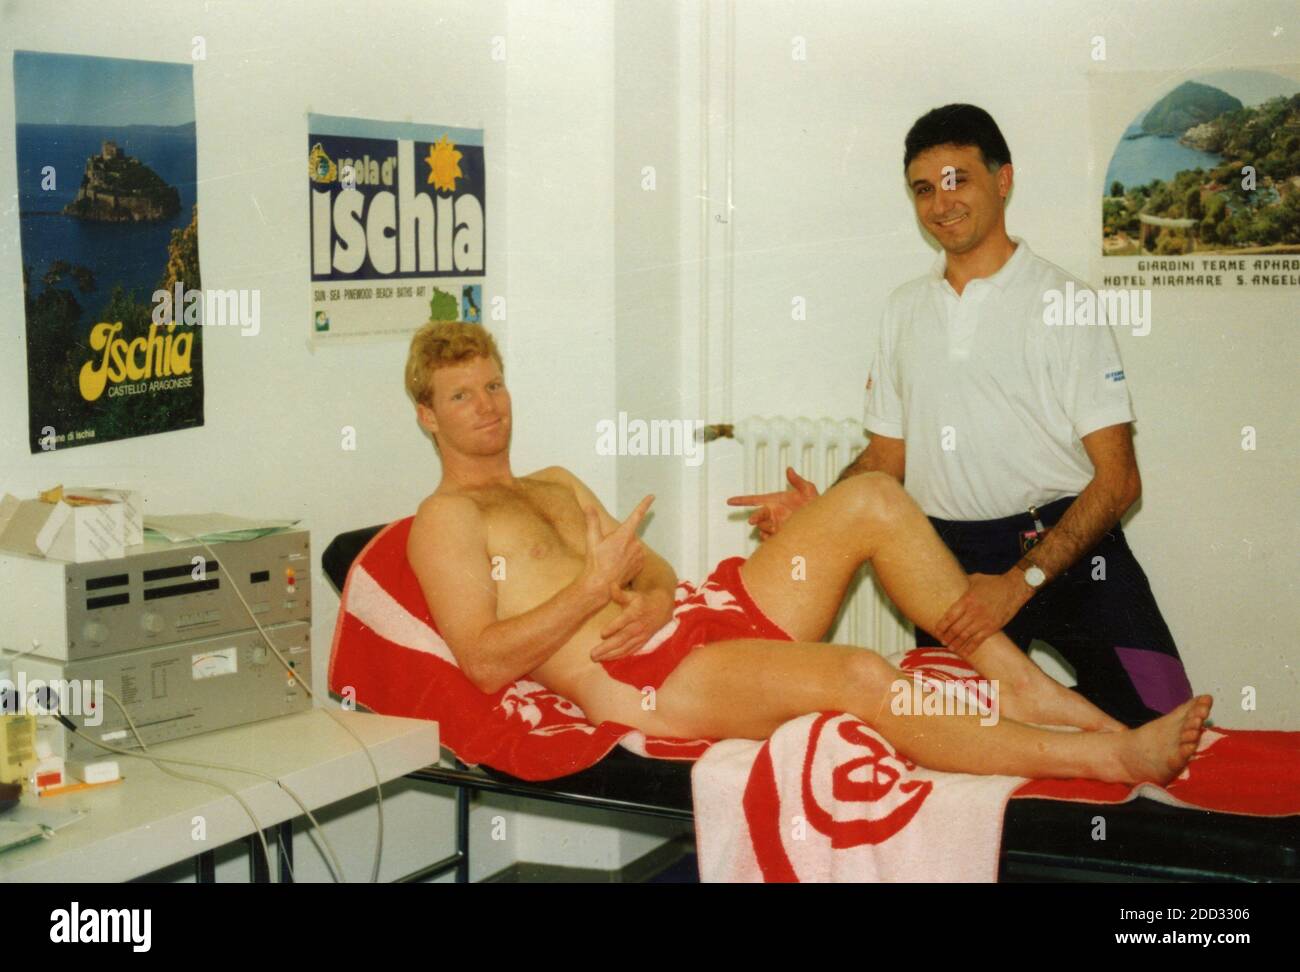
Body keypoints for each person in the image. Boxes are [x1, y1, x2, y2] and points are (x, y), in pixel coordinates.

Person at [402, 320, 1210, 785]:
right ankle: (1107, 757)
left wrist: (646, 592)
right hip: (644, 681)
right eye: (461, 396)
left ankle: (1020, 685)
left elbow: (638, 563)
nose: (487, 407)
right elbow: (481, 662)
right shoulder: (443, 520)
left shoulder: (552, 480)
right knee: (859, 673)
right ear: (428, 418)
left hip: (688, 618)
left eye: (494, 385)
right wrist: (592, 596)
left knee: (871, 499)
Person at [732, 104, 1192, 728]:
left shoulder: (1065, 303)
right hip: (944, 562)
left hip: (1070, 546)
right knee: (969, 750)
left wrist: (1020, 580)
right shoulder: (903, 311)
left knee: (1165, 717)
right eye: (924, 189)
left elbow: (1119, 480)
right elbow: (884, 460)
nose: (940, 204)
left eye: (958, 180)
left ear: (1002, 181)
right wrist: (821, 518)